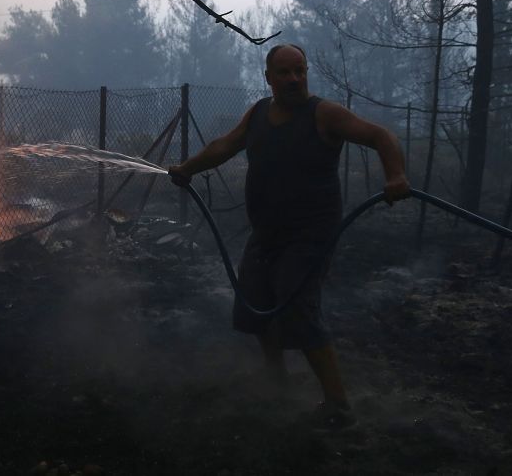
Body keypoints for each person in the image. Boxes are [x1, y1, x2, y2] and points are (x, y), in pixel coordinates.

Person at [168, 43, 410, 431]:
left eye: (300, 71)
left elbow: (381, 137)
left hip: (311, 235)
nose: (295, 79)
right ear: (268, 78)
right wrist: (187, 168)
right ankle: (277, 383)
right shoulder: (259, 113)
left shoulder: (324, 114)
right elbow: (224, 146)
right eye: (285, 72)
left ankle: (338, 405)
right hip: (267, 232)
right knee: (255, 302)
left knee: (297, 307)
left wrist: (395, 176)